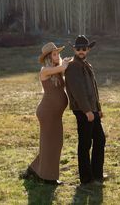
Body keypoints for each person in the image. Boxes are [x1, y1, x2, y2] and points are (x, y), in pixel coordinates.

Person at [22, 42, 71, 185]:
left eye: (58, 54)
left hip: (55, 114)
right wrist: (66, 63)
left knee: (55, 143)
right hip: (47, 113)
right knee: (51, 144)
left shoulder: (57, 70)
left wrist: (71, 62)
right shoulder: (45, 70)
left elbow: (64, 69)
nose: (58, 56)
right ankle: (48, 177)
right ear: (48, 57)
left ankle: (34, 169)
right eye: (55, 54)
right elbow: (63, 67)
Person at [65, 35, 106, 187]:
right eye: (78, 49)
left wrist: (98, 109)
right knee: (85, 143)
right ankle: (86, 179)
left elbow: (93, 89)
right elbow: (78, 91)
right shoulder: (73, 66)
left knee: (100, 139)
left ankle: (97, 174)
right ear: (74, 50)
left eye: (84, 48)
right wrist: (87, 110)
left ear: (88, 50)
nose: (81, 51)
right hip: (83, 110)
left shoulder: (86, 64)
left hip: (92, 109)